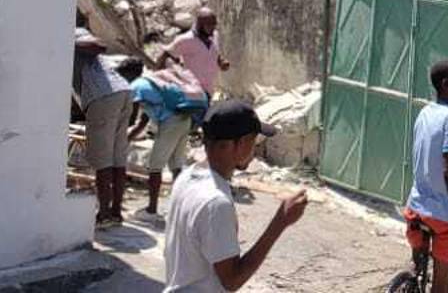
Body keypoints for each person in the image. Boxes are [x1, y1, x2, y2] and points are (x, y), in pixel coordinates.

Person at [163, 101, 306, 291]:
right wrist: (280, 222)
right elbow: (231, 280)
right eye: (253, 141)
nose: (254, 150)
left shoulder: (187, 176)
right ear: (240, 143)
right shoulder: (216, 203)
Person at [403, 61, 448, 293]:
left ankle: (412, 277)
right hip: (444, 217)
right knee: (441, 288)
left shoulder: (425, 112)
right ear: (446, 84)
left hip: (416, 208)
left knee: (419, 271)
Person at [128, 61, 209, 223]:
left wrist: (122, 138)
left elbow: (131, 118)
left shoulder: (136, 86)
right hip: (184, 120)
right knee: (176, 166)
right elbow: (143, 121)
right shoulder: (152, 85)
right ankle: (180, 208)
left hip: (170, 123)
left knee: (155, 167)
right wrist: (128, 139)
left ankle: (151, 210)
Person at [74, 30, 134, 228]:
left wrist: (69, 41)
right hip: (122, 92)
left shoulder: (75, 34)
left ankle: (104, 214)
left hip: (103, 97)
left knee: (103, 160)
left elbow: (99, 45)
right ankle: (116, 213)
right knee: (117, 159)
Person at [160, 8, 230, 97]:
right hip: (192, 91)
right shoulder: (186, 39)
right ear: (200, 25)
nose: (213, 27)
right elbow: (166, 54)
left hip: (209, 90)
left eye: (214, 24)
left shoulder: (214, 35)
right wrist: (161, 81)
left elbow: (214, 53)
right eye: (209, 25)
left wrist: (221, 62)